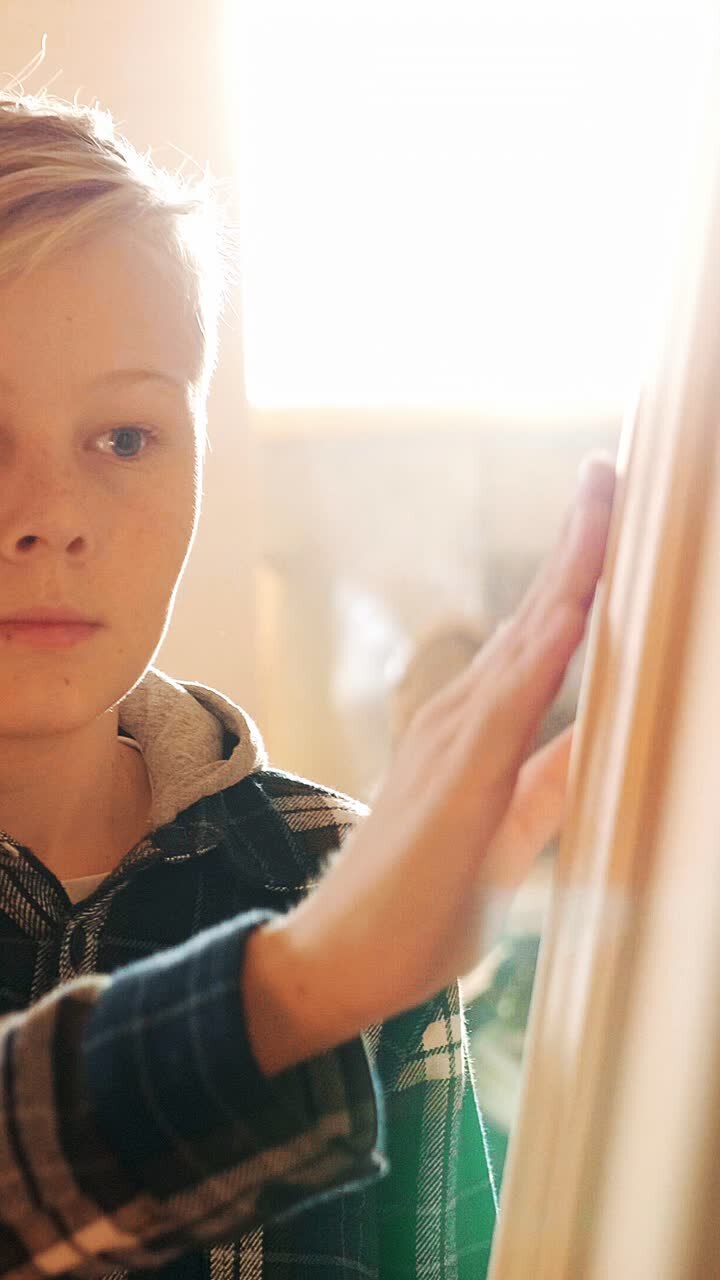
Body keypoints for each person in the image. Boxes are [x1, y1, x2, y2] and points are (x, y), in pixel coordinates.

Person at [0, 90, 615, 1280]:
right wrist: (300, 986)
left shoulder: (344, 872)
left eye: (125, 437)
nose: (55, 516)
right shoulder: (341, 939)